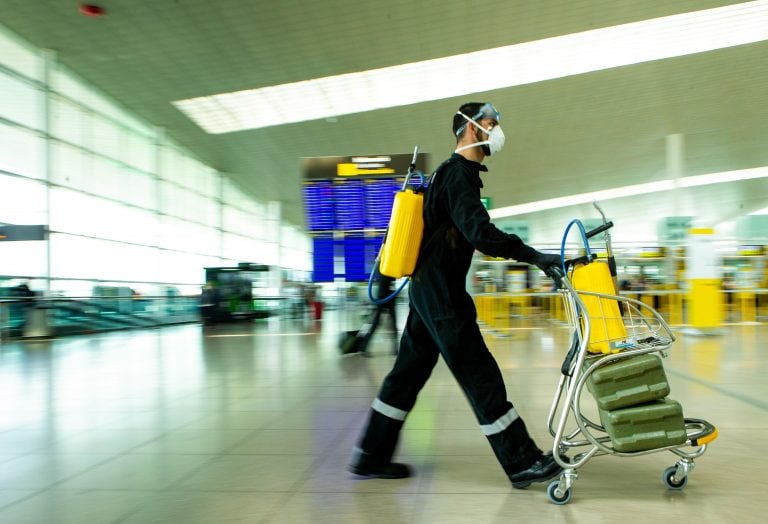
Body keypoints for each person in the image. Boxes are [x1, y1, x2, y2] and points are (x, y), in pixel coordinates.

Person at [348, 102, 564, 489]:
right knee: (479, 374)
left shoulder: (446, 175)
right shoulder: (458, 175)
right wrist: (534, 256)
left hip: (426, 293)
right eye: (489, 122)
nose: (496, 129)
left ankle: (370, 456)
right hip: (443, 297)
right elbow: (480, 234)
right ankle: (521, 461)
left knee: (404, 378)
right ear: (467, 128)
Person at [355, 274, 398, 356]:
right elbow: (384, 281)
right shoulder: (384, 267)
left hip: (389, 298)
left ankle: (395, 349)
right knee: (376, 324)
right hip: (382, 298)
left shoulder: (392, 268)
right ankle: (363, 347)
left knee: (393, 325)